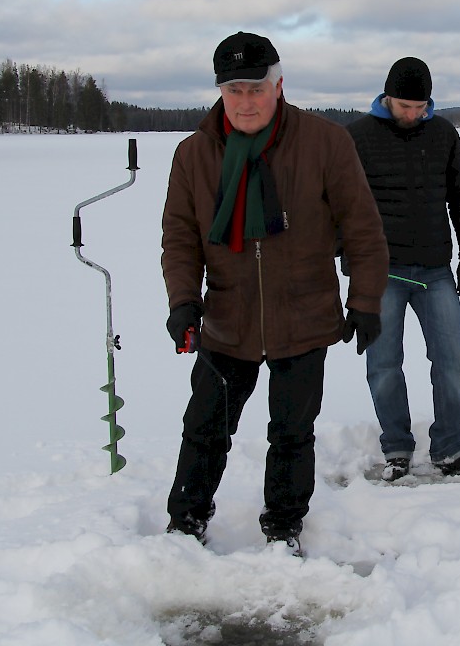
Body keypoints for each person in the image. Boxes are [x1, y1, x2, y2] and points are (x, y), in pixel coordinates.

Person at [161, 32, 388, 555]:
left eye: (256, 88)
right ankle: (187, 520)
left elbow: (362, 227)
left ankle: (283, 526)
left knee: (291, 432)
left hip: (304, 315)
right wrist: (182, 301)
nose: (245, 101)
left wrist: (366, 301)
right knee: (204, 428)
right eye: (234, 89)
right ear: (221, 90)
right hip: (226, 317)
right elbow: (179, 236)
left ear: (278, 85)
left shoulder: (325, 142)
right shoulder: (194, 154)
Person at [345, 57, 460, 481]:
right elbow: (338, 203)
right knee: (383, 365)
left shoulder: (442, 133)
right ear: (386, 97)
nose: (412, 114)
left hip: (434, 268)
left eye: (420, 107)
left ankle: (449, 447)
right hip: (380, 273)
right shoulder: (357, 137)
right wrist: (347, 256)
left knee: (452, 363)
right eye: (405, 106)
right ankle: (397, 449)